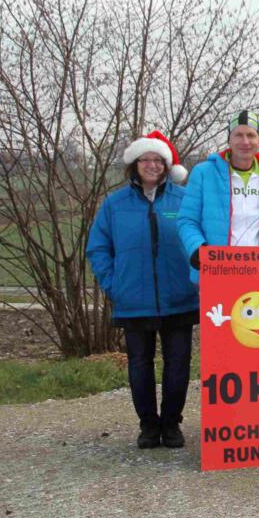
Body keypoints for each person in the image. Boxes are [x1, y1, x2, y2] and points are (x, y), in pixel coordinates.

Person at [88, 131, 197, 448]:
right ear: (134, 165)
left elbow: (201, 243)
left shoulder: (184, 200)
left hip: (179, 299)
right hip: (133, 301)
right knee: (139, 365)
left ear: (167, 165)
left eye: (157, 160)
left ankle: (172, 424)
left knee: (178, 365)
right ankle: (149, 426)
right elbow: (98, 249)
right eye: (145, 159)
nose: (151, 165)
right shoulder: (114, 204)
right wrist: (113, 284)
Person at [178, 111, 259, 282]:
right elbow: (187, 220)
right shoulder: (203, 173)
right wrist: (197, 248)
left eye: (251, 135)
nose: (245, 142)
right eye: (238, 135)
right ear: (229, 140)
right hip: (218, 272)